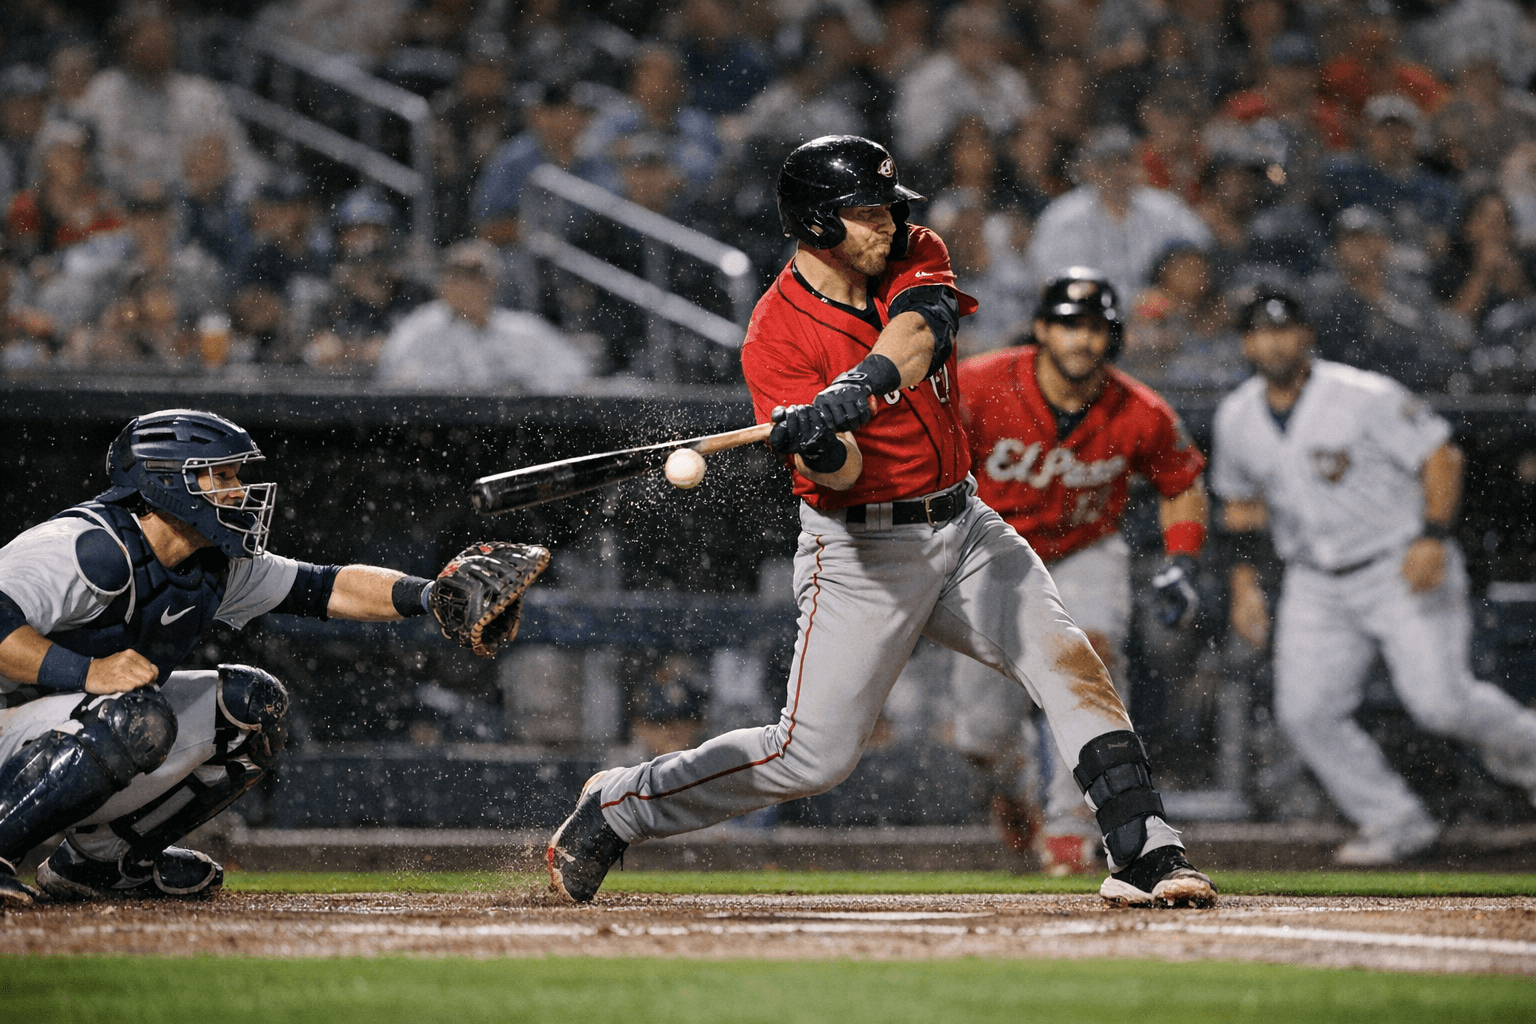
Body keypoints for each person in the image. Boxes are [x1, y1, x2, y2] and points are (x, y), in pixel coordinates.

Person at [544, 135, 1217, 909]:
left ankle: (1146, 851)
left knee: (1072, 663)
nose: (887, 225)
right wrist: (820, 438)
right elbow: (845, 476)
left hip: (966, 526)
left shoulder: (913, 250)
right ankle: (623, 804)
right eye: (865, 213)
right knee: (810, 758)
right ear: (816, 222)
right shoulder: (774, 336)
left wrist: (854, 387)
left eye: (888, 209)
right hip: (863, 550)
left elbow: (921, 330)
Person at [0, 409, 546, 905]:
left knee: (250, 706)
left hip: (62, 729)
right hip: (12, 725)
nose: (239, 492)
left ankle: (101, 865)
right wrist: (90, 671)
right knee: (134, 715)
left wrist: (431, 596)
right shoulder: (83, 545)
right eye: (222, 476)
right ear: (167, 481)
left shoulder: (212, 562)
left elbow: (325, 587)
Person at [1210, 290, 1536, 865]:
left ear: (1307, 335)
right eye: (1260, 332)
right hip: (1315, 580)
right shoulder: (1237, 414)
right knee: (1306, 713)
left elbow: (1441, 455)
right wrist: (1243, 584)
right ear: (1245, 343)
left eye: (1284, 330)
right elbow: (1239, 506)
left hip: (1398, 562)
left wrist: (1433, 534)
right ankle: (1394, 819)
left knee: (1441, 703)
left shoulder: (1362, 395)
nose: (1274, 341)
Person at [950, 267, 1211, 874]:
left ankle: (1070, 825)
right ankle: (1014, 789)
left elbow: (1181, 481)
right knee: (979, 735)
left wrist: (1181, 561)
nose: (1082, 340)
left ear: (1111, 337)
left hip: (1084, 551)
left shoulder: (1138, 408)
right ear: (1042, 329)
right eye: (1069, 325)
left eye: (1095, 328)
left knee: (1093, 659)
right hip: (989, 551)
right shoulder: (979, 385)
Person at [376, 240, 590, 390]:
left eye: (478, 274)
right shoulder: (419, 330)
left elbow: (575, 375)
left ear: (494, 281)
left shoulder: (525, 329)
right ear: (443, 284)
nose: (471, 283)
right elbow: (397, 385)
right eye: (459, 274)